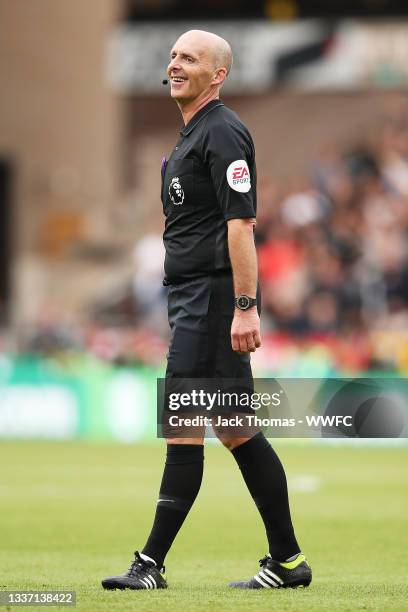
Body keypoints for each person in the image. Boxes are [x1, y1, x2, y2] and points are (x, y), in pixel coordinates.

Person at [102, 29, 311, 591]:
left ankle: (149, 565)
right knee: (237, 430)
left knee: (183, 426)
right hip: (196, 299)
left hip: (212, 301)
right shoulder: (192, 134)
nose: (174, 64)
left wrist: (245, 307)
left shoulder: (222, 132)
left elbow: (241, 225)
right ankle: (288, 562)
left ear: (217, 75)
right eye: (171, 55)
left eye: (188, 58)